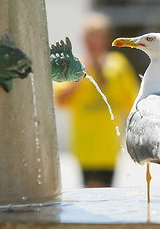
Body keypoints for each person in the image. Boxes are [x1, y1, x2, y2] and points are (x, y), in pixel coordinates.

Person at [54, 13, 139, 187]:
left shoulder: (118, 64)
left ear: (105, 39)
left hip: (110, 146)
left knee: (107, 197)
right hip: (85, 147)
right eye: (89, 37)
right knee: (92, 194)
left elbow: (132, 104)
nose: (93, 43)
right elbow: (61, 100)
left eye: (97, 37)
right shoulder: (72, 64)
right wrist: (83, 74)